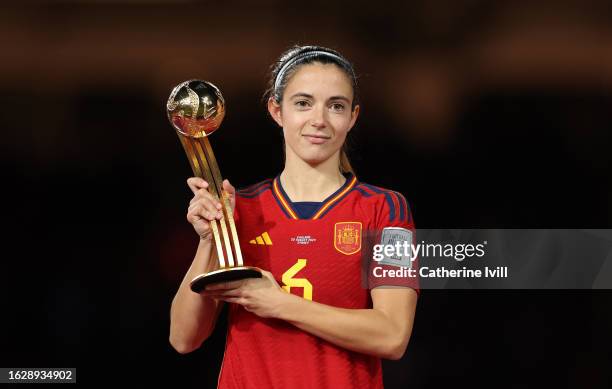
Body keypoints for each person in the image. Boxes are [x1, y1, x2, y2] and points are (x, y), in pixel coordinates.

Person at [169, 45, 419, 389]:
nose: (319, 119)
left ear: (353, 116)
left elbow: (392, 335)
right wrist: (209, 241)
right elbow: (184, 338)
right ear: (277, 110)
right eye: (303, 103)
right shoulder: (238, 208)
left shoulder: (386, 209)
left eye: (336, 106)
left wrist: (279, 303)